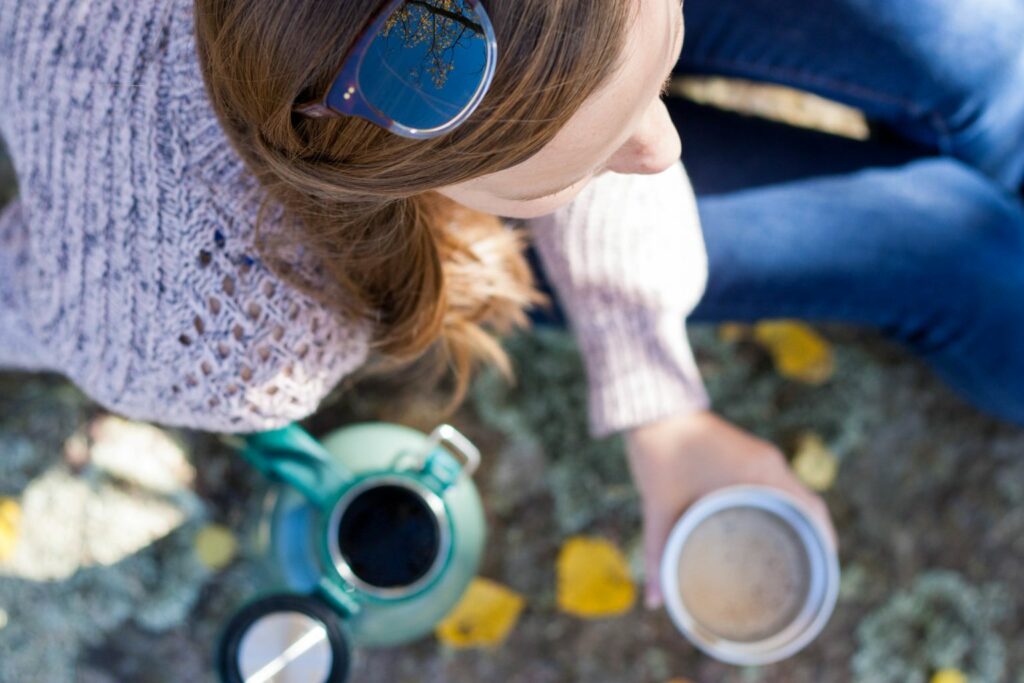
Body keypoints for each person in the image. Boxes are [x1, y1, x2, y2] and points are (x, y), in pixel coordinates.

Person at [0, 0, 1020, 621]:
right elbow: (33, 300)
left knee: (983, 54)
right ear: (424, 177)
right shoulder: (219, 315)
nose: (663, 150)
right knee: (969, 263)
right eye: (579, 158)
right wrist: (654, 398)